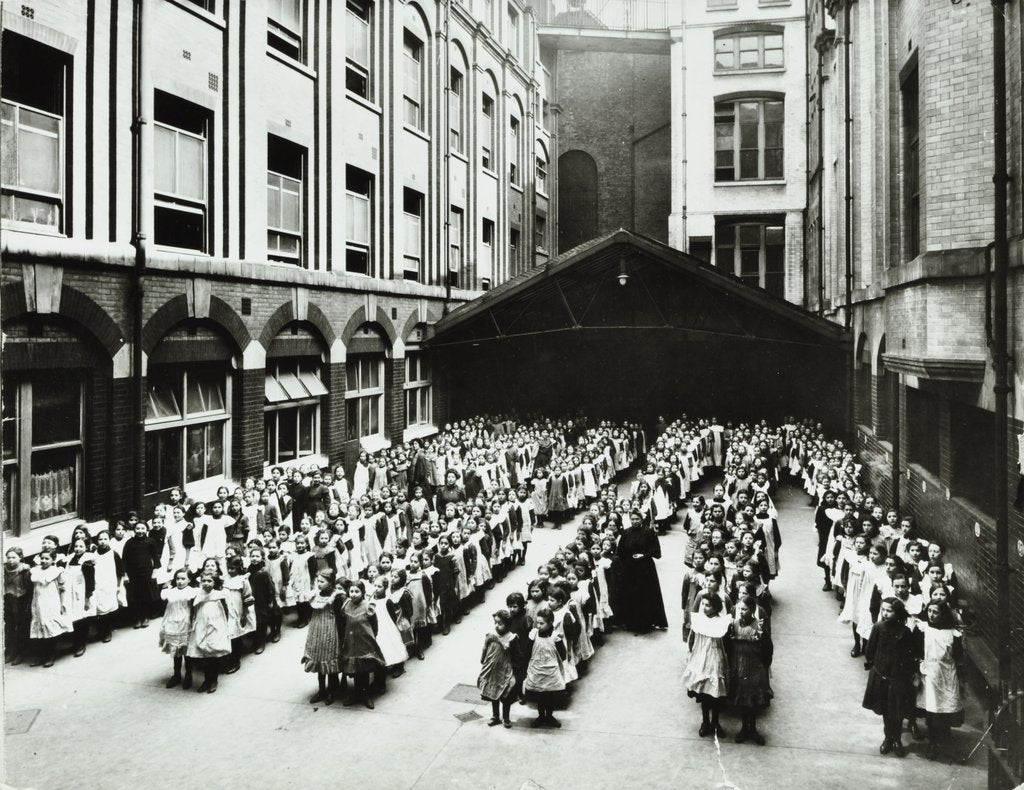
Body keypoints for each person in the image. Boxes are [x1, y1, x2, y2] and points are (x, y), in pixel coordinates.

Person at [863, 597, 917, 757]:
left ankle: (897, 739)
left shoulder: (905, 632)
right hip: (882, 676)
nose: (885, 614)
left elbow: (910, 654)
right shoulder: (879, 627)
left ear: (898, 612)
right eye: (883, 610)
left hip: (898, 678)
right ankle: (888, 737)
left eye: (889, 611)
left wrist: (906, 674)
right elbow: (870, 649)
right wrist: (876, 667)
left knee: (898, 710)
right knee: (886, 709)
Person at [914, 601, 965, 760]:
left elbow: (958, 656)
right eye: (929, 611)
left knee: (946, 706)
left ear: (943, 613)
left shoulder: (953, 634)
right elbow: (917, 649)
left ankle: (945, 735)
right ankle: (933, 742)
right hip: (930, 674)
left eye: (935, 612)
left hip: (947, 674)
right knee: (932, 708)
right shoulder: (923, 629)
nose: (931, 615)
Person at [614, 510, 668, 633]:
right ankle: (632, 623)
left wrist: (643, 555)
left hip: (645, 570)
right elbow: (620, 551)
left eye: (637, 519)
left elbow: (656, 551)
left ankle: (645, 624)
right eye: (632, 519)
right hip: (630, 570)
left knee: (645, 596)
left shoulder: (648, 532)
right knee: (631, 596)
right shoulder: (626, 533)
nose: (634, 521)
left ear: (641, 519)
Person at [730, 596, 773, 745]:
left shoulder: (759, 627)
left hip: (755, 670)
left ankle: (753, 729)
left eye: (744, 609)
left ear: (752, 610)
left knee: (753, 700)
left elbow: (768, 648)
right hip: (739, 668)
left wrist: (764, 666)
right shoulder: (733, 625)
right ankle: (744, 728)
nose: (741, 612)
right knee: (742, 700)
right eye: (739, 609)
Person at [340, 581, 386, 709]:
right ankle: (357, 694)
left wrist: (372, 637)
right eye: (351, 591)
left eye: (357, 592)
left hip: (364, 642)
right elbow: (344, 623)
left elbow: (374, 624)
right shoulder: (346, 605)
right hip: (351, 641)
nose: (353, 594)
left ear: (363, 593)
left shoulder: (367, 607)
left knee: (364, 669)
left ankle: (366, 695)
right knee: (355, 668)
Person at [302, 569, 345, 705]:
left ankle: (332, 691)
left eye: (322, 581)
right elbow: (310, 612)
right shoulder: (315, 595)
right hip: (317, 631)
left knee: (330, 661)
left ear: (330, 582)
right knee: (318, 660)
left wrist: (341, 635)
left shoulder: (336, 597)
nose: (318, 584)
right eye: (317, 581)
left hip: (330, 632)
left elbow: (340, 617)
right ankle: (322, 691)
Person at [186, 571, 231, 694]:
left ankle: (214, 680)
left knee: (213, 653)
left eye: (209, 581)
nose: (206, 583)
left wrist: (224, 628)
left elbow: (225, 612)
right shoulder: (198, 596)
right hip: (201, 625)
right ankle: (206, 680)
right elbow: (193, 611)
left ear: (215, 582)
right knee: (204, 654)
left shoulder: (219, 595)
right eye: (204, 581)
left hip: (216, 626)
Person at [523, 607, 566, 729]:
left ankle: (550, 716)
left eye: (542, 623)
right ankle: (541, 716)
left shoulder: (556, 636)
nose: (538, 625)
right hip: (536, 670)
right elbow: (527, 652)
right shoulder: (533, 634)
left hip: (551, 672)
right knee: (540, 696)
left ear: (551, 623)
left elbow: (562, 655)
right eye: (537, 622)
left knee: (550, 695)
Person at [29, 549, 72, 667]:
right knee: (39, 627)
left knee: (50, 628)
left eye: (47, 558)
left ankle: (50, 655)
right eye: (42, 558)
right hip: (38, 602)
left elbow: (63, 587)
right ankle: (40, 656)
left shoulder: (56, 571)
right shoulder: (36, 571)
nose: (44, 560)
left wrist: (62, 603)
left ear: (53, 560)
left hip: (51, 602)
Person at [478, 609, 518, 728]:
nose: (496, 625)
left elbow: (517, 656)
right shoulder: (491, 636)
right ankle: (495, 716)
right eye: (495, 622)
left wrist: (516, 670)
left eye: (500, 623)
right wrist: (483, 659)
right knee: (493, 693)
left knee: (506, 696)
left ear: (508, 625)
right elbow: (485, 648)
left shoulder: (512, 638)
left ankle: (506, 718)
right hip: (492, 671)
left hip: (505, 671)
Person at [160, 569, 198, 689]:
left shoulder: (192, 591)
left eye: (183, 579)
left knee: (186, 651)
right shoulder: (170, 592)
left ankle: (188, 674)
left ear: (189, 579)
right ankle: (176, 674)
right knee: (175, 651)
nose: (180, 581)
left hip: (185, 622)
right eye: (178, 579)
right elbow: (166, 602)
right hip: (172, 622)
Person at [122, 520, 160, 629]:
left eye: (142, 528)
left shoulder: (150, 541)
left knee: (146, 595)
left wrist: (155, 571)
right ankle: (137, 618)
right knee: (135, 596)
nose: (140, 531)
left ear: (147, 529)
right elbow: (124, 559)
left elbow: (155, 557)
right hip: (133, 573)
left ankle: (145, 617)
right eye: (138, 528)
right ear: (134, 530)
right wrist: (125, 574)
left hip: (146, 572)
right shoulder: (129, 543)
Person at [4, 548, 33, 665]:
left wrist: (28, 604)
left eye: (13, 557)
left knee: (21, 627)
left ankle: (21, 653)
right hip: (8, 600)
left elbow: (29, 589)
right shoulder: (4, 570)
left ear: (20, 557)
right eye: (8, 557)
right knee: (10, 627)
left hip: (21, 601)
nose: (10, 560)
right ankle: (11, 652)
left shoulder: (24, 570)